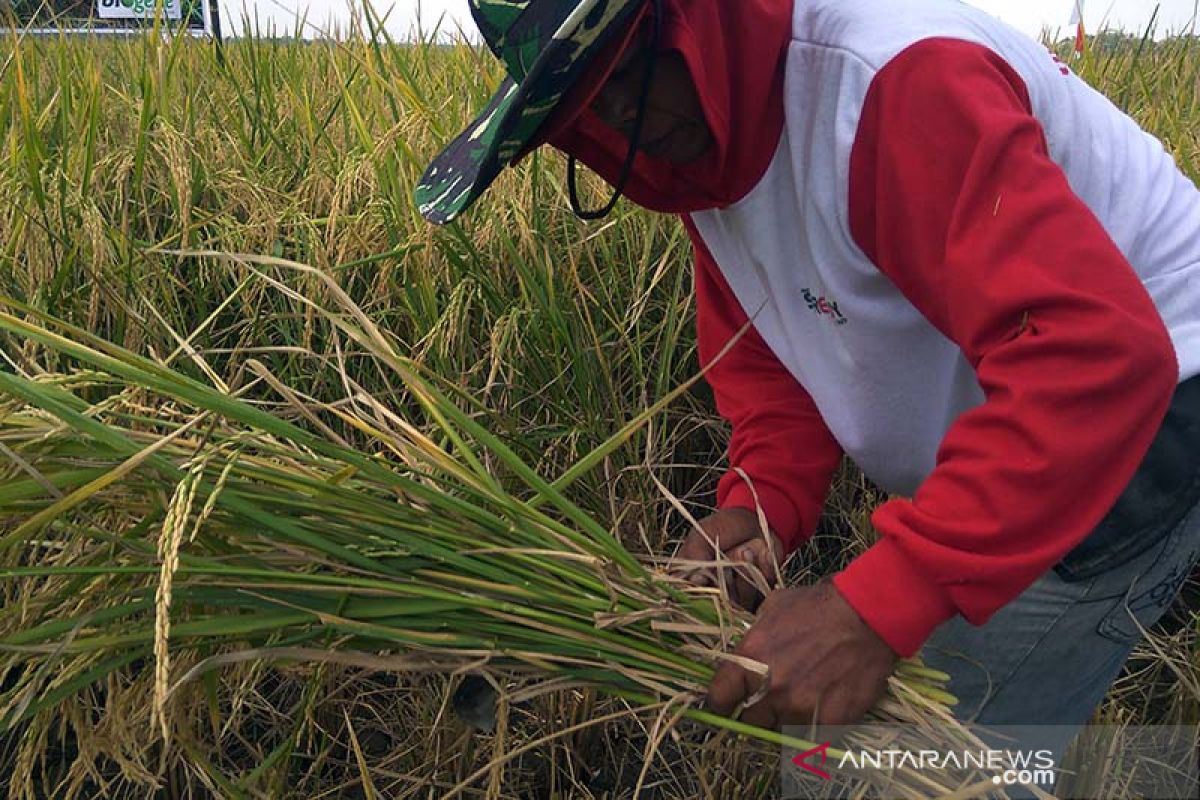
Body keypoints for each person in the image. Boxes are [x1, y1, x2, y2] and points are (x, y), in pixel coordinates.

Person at [416, 0, 1200, 769]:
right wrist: (760, 505)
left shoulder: (891, 83)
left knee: (898, 776)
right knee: (833, 753)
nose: (624, 111)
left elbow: (1096, 358)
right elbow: (780, 357)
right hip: (1031, 426)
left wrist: (876, 608)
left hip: (1141, 423)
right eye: (588, 99)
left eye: (634, 59)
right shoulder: (699, 153)